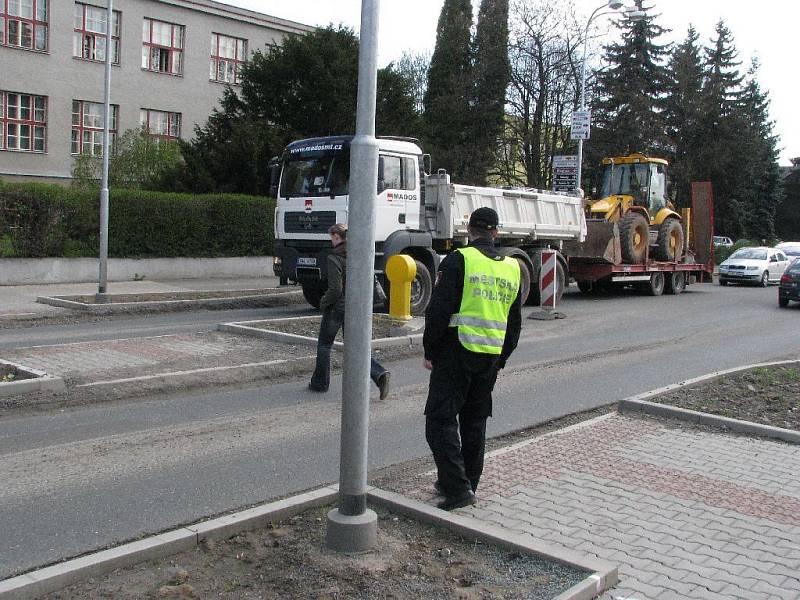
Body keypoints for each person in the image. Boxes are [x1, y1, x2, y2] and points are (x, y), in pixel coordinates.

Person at [422, 207, 522, 511]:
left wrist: (430, 351)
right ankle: (467, 483)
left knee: (439, 420)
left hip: (457, 352)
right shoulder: (512, 267)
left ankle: (457, 488)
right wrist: (502, 357)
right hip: (490, 357)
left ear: (470, 230)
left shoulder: (460, 260)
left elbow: (438, 309)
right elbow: (514, 323)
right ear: (495, 233)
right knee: (474, 423)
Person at [308, 223, 391, 400]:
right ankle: (379, 374)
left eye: (331, 237)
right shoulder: (357, 253)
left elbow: (335, 289)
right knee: (355, 348)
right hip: (355, 306)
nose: (331, 241)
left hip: (337, 306)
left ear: (337, 237)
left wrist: (323, 303)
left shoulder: (334, 257)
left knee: (324, 344)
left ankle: (319, 383)